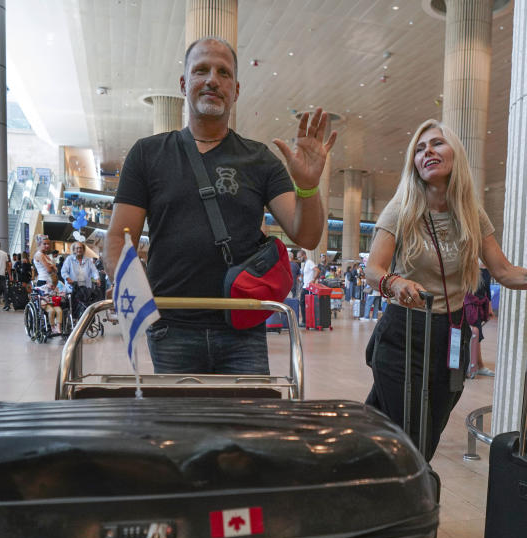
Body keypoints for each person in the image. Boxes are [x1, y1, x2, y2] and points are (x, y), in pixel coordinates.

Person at [363, 119, 527, 538]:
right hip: (404, 333)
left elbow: (502, 269)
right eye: (420, 147)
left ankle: (374, 525)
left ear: (455, 154)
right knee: (411, 448)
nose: (427, 152)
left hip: (450, 337)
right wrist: (394, 284)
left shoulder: (472, 212)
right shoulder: (402, 206)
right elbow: (373, 267)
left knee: (406, 440)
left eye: (437, 144)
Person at [106, 37, 336, 374]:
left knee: (243, 427)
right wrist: (135, 296)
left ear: (236, 90)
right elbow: (117, 240)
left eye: (223, 73)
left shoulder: (259, 159)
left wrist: (308, 187)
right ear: (184, 84)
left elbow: (307, 236)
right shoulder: (148, 154)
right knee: (178, 427)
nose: (213, 79)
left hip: (243, 329)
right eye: (201, 70)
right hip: (172, 328)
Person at [465, 265, 495, 379]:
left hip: (479, 305)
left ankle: (476, 365)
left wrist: (490, 308)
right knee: (474, 335)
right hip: (469, 305)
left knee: (476, 335)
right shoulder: (470, 266)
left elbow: (487, 290)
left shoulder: (487, 270)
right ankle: (477, 365)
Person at [60, 242, 100, 319]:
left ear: (83, 249)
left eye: (81, 248)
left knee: (90, 300)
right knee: (76, 303)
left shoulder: (88, 260)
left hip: (85, 286)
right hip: (73, 286)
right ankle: (76, 318)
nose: (79, 250)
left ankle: (88, 319)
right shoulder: (69, 259)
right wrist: (68, 279)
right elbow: (64, 271)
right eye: (77, 248)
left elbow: (94, 271)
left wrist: (97, 278)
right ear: (74, 250)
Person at [299, 250, 318, 327]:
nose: (299, 259)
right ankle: (305, 320)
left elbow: (317, 270)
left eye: (300, 257)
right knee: (303, 304)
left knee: (303, 303)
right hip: (305, 286)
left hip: (308, 287)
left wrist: (313, 280)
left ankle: (305, 321)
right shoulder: (305, 263)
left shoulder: (310, 262)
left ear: (304, 255)